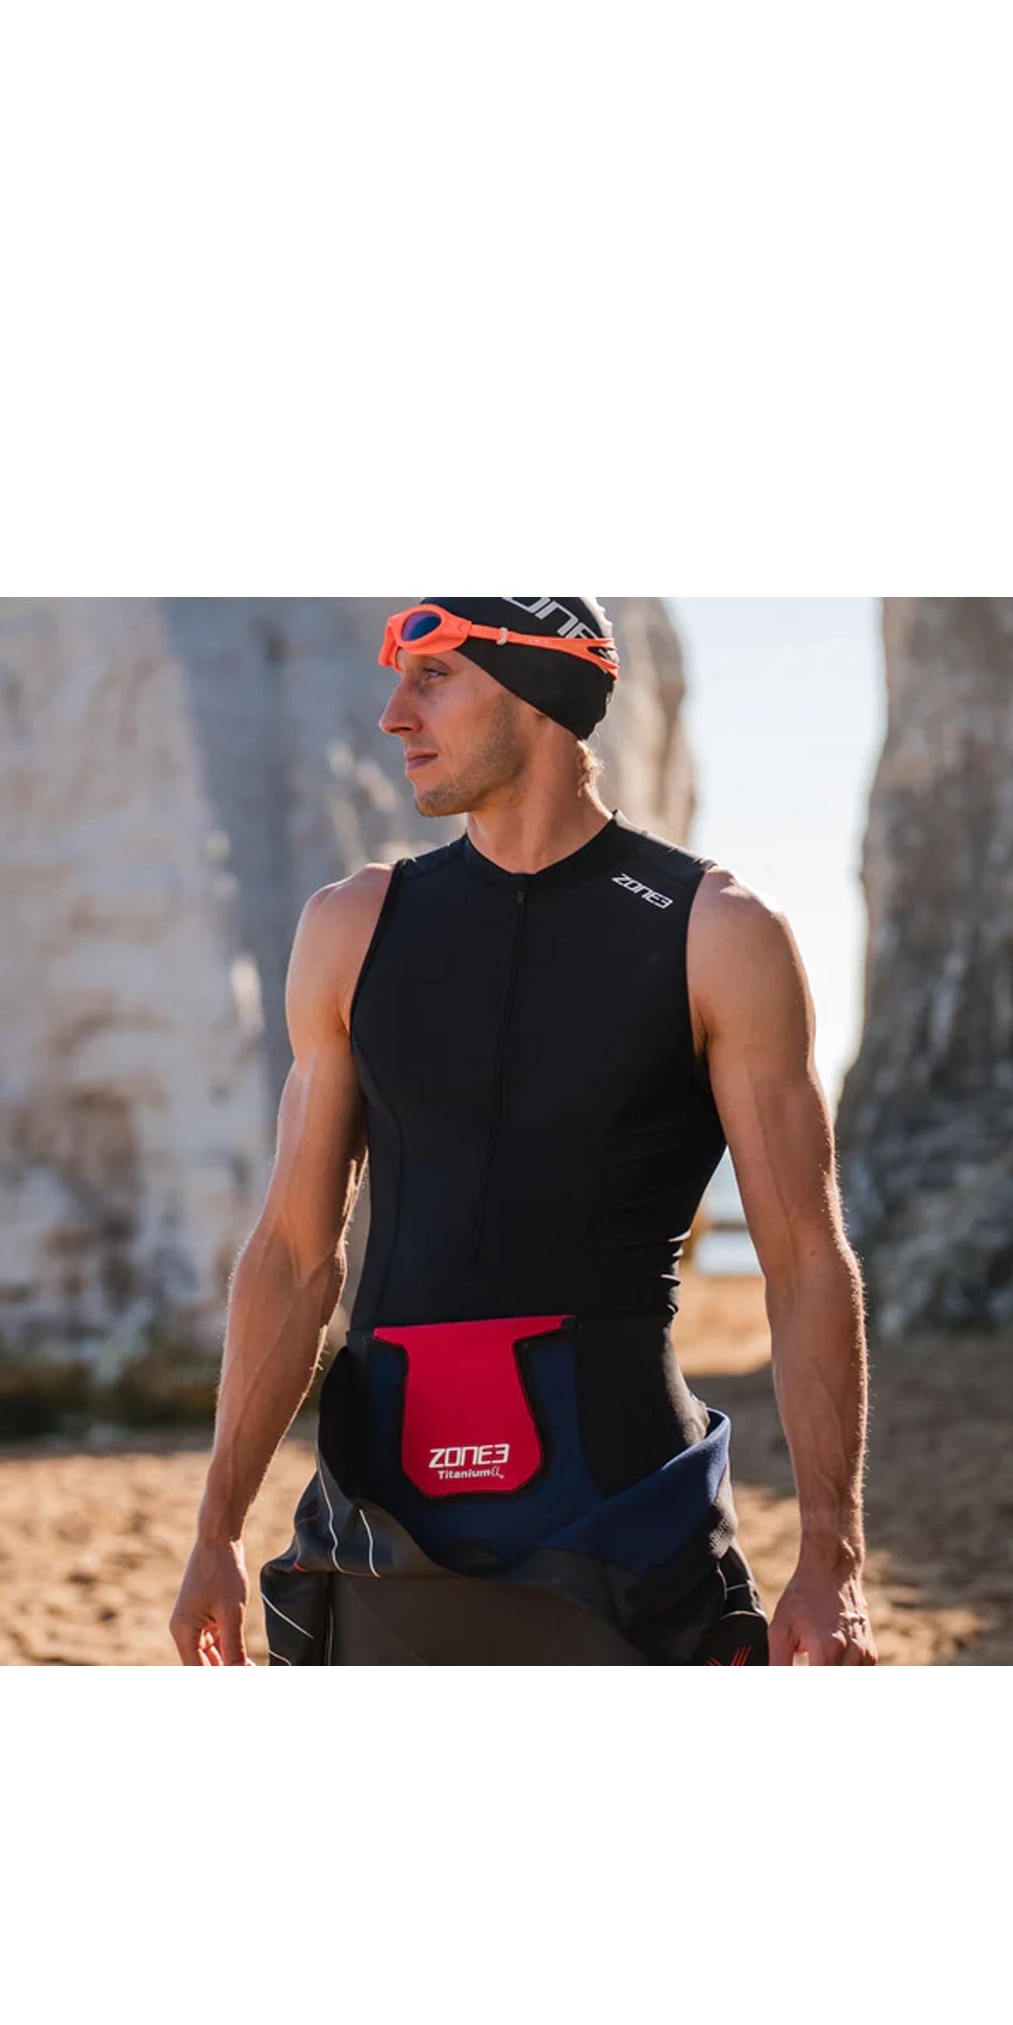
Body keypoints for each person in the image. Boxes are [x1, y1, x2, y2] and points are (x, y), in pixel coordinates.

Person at [170, 596, 874, 1667]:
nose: (394, 715)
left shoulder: (716, 933)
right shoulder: (352, 927)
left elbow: (805, 1259)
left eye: (434, 677)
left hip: (621, 1519)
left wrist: (830, 1557)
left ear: (537, 688)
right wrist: (216, 1527)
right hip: (385, 1529)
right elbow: (294, 1251)